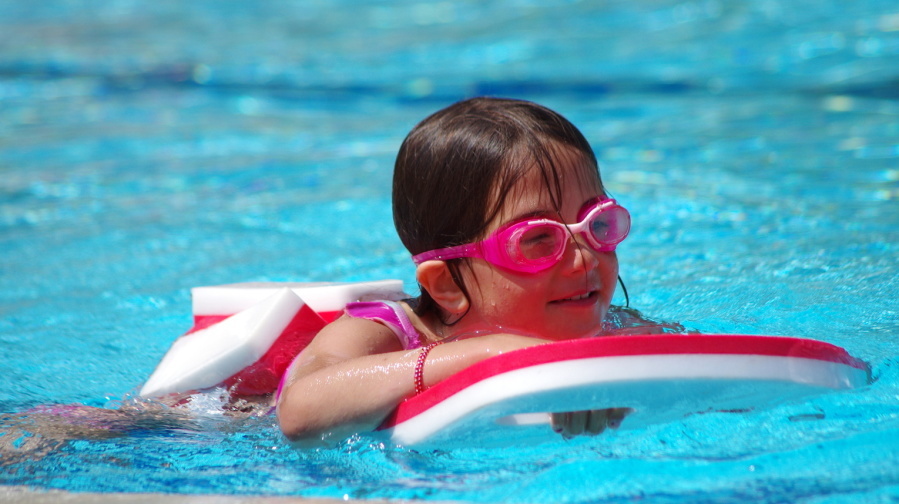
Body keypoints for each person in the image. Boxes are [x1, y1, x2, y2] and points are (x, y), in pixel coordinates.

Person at [276, 97, 654, 445]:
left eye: (598, 224)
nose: (585, 259)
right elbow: (299, 412)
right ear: (446, 285)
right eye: (537, 239)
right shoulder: (386, 334)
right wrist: (494, 353)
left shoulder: (614, 325)